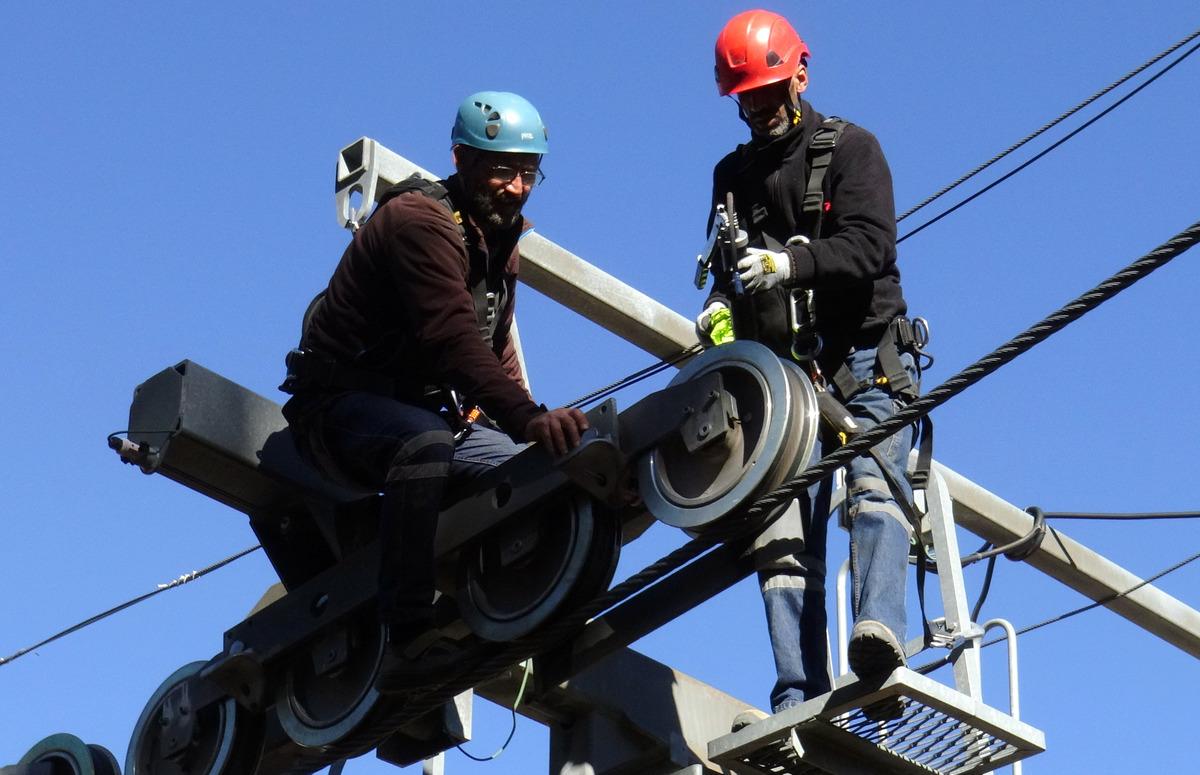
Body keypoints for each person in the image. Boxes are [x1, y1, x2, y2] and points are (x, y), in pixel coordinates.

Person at [280, 91, 589, 669]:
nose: (517, 187)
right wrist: (528, 416)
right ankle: (405, 635)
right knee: (425, 442)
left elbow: (494, 351)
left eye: (528, 173)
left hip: (431, 415)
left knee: (544, 471)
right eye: (503, 171)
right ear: (460, 159)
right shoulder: (418, 222)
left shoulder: (499, 240)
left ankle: (546, 625)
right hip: (340, 410)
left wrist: (534, 435)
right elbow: (453, 342)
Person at [695, 10, 921, 714]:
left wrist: (790, 263)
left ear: (799, 73)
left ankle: (877, 637)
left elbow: (867, 249)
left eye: (767, 93)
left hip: (863, 367)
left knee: (872, 486)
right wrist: (722, 311)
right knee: (780, 532)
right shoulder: (732, 175)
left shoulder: (851, 150)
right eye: (747, 99)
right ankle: (799, 685)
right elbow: (730, 276)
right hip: (784, 382)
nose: (759, 109)